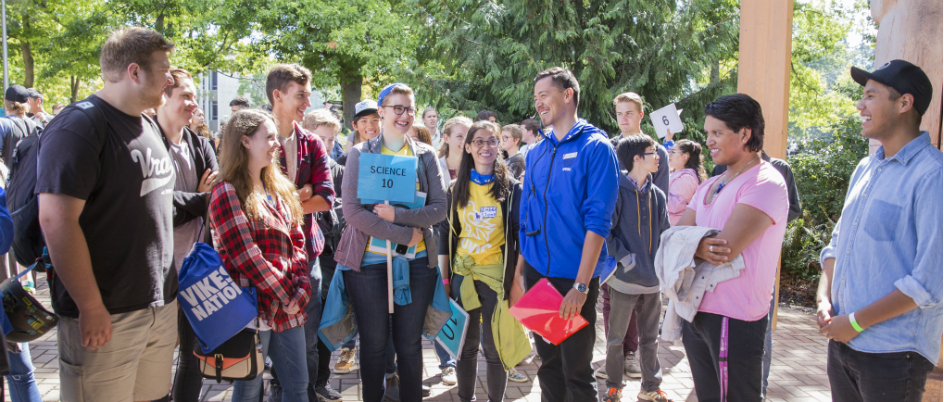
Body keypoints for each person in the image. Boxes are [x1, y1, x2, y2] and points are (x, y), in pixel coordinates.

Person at [36, 27, 179, 402]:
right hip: (107, 314)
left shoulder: (148, 123)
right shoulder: (80, 125)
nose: (171, 77)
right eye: (164, 69)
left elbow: (152, 202)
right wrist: (90, 305)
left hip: (158, 305)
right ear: (134, 72)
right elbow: (55, 220)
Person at [817, 60, 941, 402]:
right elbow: (836, 246)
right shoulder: (865, 168)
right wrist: (824, 299)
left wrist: (855, 322)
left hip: (893, 355)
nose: (860, 105)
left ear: (904, 103)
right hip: (842, 344)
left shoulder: (933, 176)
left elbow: (928, 284)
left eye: (870, 96)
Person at [333, 83, 447, 402]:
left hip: (416, 265)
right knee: (374, 345)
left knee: (410, 346)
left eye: (410, 108)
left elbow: (439, 208)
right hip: (368, 266)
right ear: (380, 111)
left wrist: (397, 215)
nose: (405, 115)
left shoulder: (425, 155)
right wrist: (400, 233)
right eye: (397, 108)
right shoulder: (360, 153)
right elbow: (353, 212)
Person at [511, 67, 619, 401]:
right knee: (548, 365)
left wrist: (582, 285)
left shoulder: (596, 147)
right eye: (535, 97)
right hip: (538, 274)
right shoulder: (537, 151)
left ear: (567, 94)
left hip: (573, 280)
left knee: (577, 372)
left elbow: (598, 223)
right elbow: (527, 216)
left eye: (544, 94)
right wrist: (519, 271)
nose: (538, 103)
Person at [675, 94, 788, 402]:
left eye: (717, 133)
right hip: (696, 310)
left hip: (734, 318)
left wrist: (690, 243)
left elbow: (724, 249)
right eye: (707, 132)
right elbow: (675, 235)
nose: (708, 140)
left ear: (745, 133)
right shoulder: (711, 184)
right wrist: (696, 243)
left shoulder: (765, 183)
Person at [208, 110, 311, 402]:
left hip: (286, 304)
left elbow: (297, 243)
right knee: (249, 388)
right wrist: (288, 293)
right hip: (250, 308)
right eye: (268, 137)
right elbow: (246, 257)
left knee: (298, 385)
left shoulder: (278, 189)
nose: (276, 143)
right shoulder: (226, 191)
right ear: (244, 141)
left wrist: (301, 290)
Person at [439, 120, 529, 402]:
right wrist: (444, 281)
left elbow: (522, 239)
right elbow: (444, 237)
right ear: (467, 147)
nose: (486, 146)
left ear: (499, 145)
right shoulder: (454, 190)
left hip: (496, 280)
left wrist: (516, 281)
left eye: (492, 140)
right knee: (465, 348)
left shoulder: (513, 190)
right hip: (461, 278)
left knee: (494, 349)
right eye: (478, 141)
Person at [265, 63, 335, 402]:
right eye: (301, 95)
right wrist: (301, 193)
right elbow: (246, 198)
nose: (307, 102)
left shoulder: (312, 143)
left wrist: (284, 201)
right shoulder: (252, 137)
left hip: (306, 256)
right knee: (267, 339)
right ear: (278, 96)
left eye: (308, 94)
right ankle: (278, 389)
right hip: (262, 259)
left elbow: (327, 198)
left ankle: (303, 394)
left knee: (307, 337)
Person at [154, 67, 220, 402]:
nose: (194, 104)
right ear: (163, 97)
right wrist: (198, 198)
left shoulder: (200, 144)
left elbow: (220, 199)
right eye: (186, 96)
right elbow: (153, 205)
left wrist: (186, 200)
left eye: (196, 96)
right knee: (157, 357)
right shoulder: (147, 141)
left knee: (193, 357)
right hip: (158, 272)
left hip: (197, 269)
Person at [603, 135, 671, 402]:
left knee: (650, 339)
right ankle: (614, 386)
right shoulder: (616, 191)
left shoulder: (659, 196)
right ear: (636, 158)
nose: (658, 156)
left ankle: (651, 388)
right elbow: (604, 232)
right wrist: (624, 257)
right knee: (616, 339)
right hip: (624, 280)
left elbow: (665, 235)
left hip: (653, 282)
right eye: (652, 152)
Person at [300, 108, 347, 402]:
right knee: (306, 325)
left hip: (333, 253)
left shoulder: (339, 169)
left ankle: (320, 381)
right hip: (306, 252)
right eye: (321, 138)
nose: (327, 146)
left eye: (331, 140)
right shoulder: (298, 168)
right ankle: (299, 383)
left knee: (327, 321)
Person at [666, 139, 706, 226]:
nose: (669, 155)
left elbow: (675, 206)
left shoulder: (686, 178)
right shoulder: (679, 174)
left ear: (685, 156)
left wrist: (656, 193)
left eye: (673, 151)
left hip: (676, 229)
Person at [1, 85, 40, 171]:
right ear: (28, 103)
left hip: (8, 181)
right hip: (31, 181)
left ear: (5, 101)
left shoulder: (2, 124)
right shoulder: (36, 127)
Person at [339, 99, 381, 164]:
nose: (370, 126)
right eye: (364, 121)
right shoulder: (345, 160)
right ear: (354, 126)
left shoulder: (390, 156)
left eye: (375, 120)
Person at [438, 116, 471, 182]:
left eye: (468, 137)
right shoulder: (435, 167)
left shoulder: (477, 168)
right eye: (459, 136)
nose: (465, 141)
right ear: (446, 138)